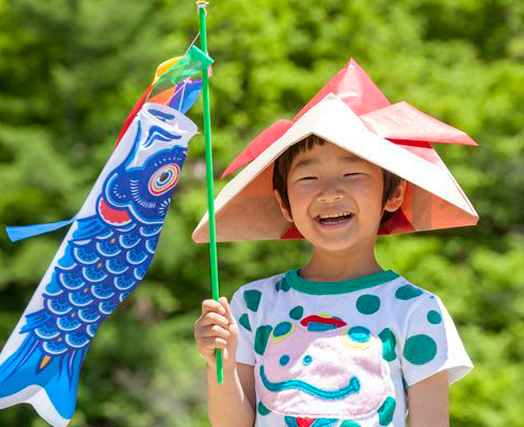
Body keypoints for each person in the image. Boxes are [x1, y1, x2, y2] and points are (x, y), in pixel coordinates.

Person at [192, 59, 478, 427]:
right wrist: (221, 363)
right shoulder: (253, 305)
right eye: (308, 177)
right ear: (284, 203)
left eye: (352, 173)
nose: (329, 192)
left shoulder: (417, 311)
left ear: (393, 194)